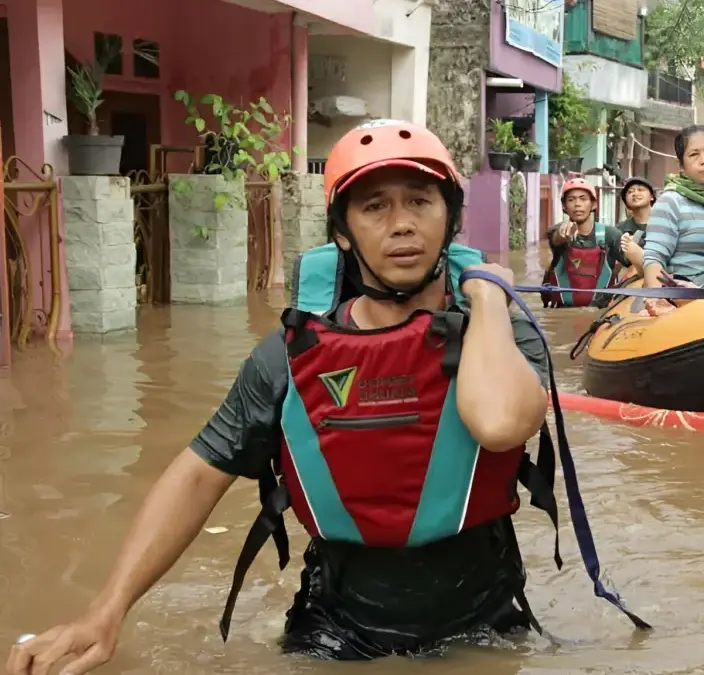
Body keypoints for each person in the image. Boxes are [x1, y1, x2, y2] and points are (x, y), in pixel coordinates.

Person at [7, 120, 646, 675]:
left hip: (484, 626)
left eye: (421, 202)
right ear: (343, 233)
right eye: (374, 207)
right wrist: (105, 611)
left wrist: (484, 294)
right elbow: (198, 474)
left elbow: (503, 421)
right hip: (333, 630)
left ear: (450, 219)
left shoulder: (502, 332)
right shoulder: (290, 356)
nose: (401, 224)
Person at [641, 126, 704, 294]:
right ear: (681, 166)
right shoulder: (671, 201)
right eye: (694, 154)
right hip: (686, 293)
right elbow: (654, 259)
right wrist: (658, 299)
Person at [542, 178, 613, 307]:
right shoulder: (555, 231)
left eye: (583, 198)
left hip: (600, 313)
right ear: (564, 206)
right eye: (571, 199)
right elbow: (557, 239)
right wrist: (563, 235)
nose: (577, 204)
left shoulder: (611, 235)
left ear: (594, 204)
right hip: (562, 312)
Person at [611, 177, 656, 276]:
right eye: (630, 192)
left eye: (640, 190)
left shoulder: (664, 224)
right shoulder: (619, 230)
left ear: (651, 196)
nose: (635, 194)